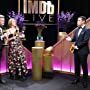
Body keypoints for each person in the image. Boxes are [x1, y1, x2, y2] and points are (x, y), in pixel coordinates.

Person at [66, 16, 90, 88]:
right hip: (76, 51)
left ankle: (85, 81)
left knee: (84, 66)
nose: (77, 22)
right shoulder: (76, 30)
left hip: (83, 51)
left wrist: (77, 46)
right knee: (76, 66)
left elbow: (85, 41)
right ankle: (77, 78)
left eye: (79, 20)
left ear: (83, 21)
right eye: (77, 20)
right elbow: (74, 39)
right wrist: (70, 39)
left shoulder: (87, 30)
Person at [0, 14, 6, 84]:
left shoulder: (2, 28)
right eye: (2, 20)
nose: (3, 21)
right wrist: (2, 36)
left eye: (4, 20)